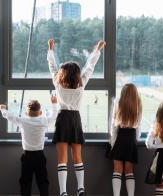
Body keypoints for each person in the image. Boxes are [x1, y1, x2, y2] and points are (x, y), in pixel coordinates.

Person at [47, 38, 106, 196]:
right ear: (77, 74)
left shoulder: (58, 84)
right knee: (77, 156)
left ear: (63, 73)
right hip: (75, 120)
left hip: (62, 119)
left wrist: (51, 50)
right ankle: (81, 189)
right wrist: (97, 50)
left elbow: (52, 67)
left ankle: (63, 192)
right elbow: (90, 66)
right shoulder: (81, 84)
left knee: (62, 159)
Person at [0, 96, 58, 196]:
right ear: (40, 112)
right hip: (40, 156)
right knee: (43, 181)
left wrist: (3, 109)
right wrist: (54, 103)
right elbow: (54, 115)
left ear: (27, 112)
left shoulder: (23, 121)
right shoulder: (43, 121)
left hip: (27, 156)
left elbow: (9, 116)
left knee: (25, 182)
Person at [108, 83, 142, 196]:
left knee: (117, 170)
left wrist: (113, 141)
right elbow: (139, 126)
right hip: (131, 137)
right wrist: (135, 140)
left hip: (120, 136)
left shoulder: (118, 102)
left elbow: (113, 124)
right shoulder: (138, 104)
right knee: (129, 171)